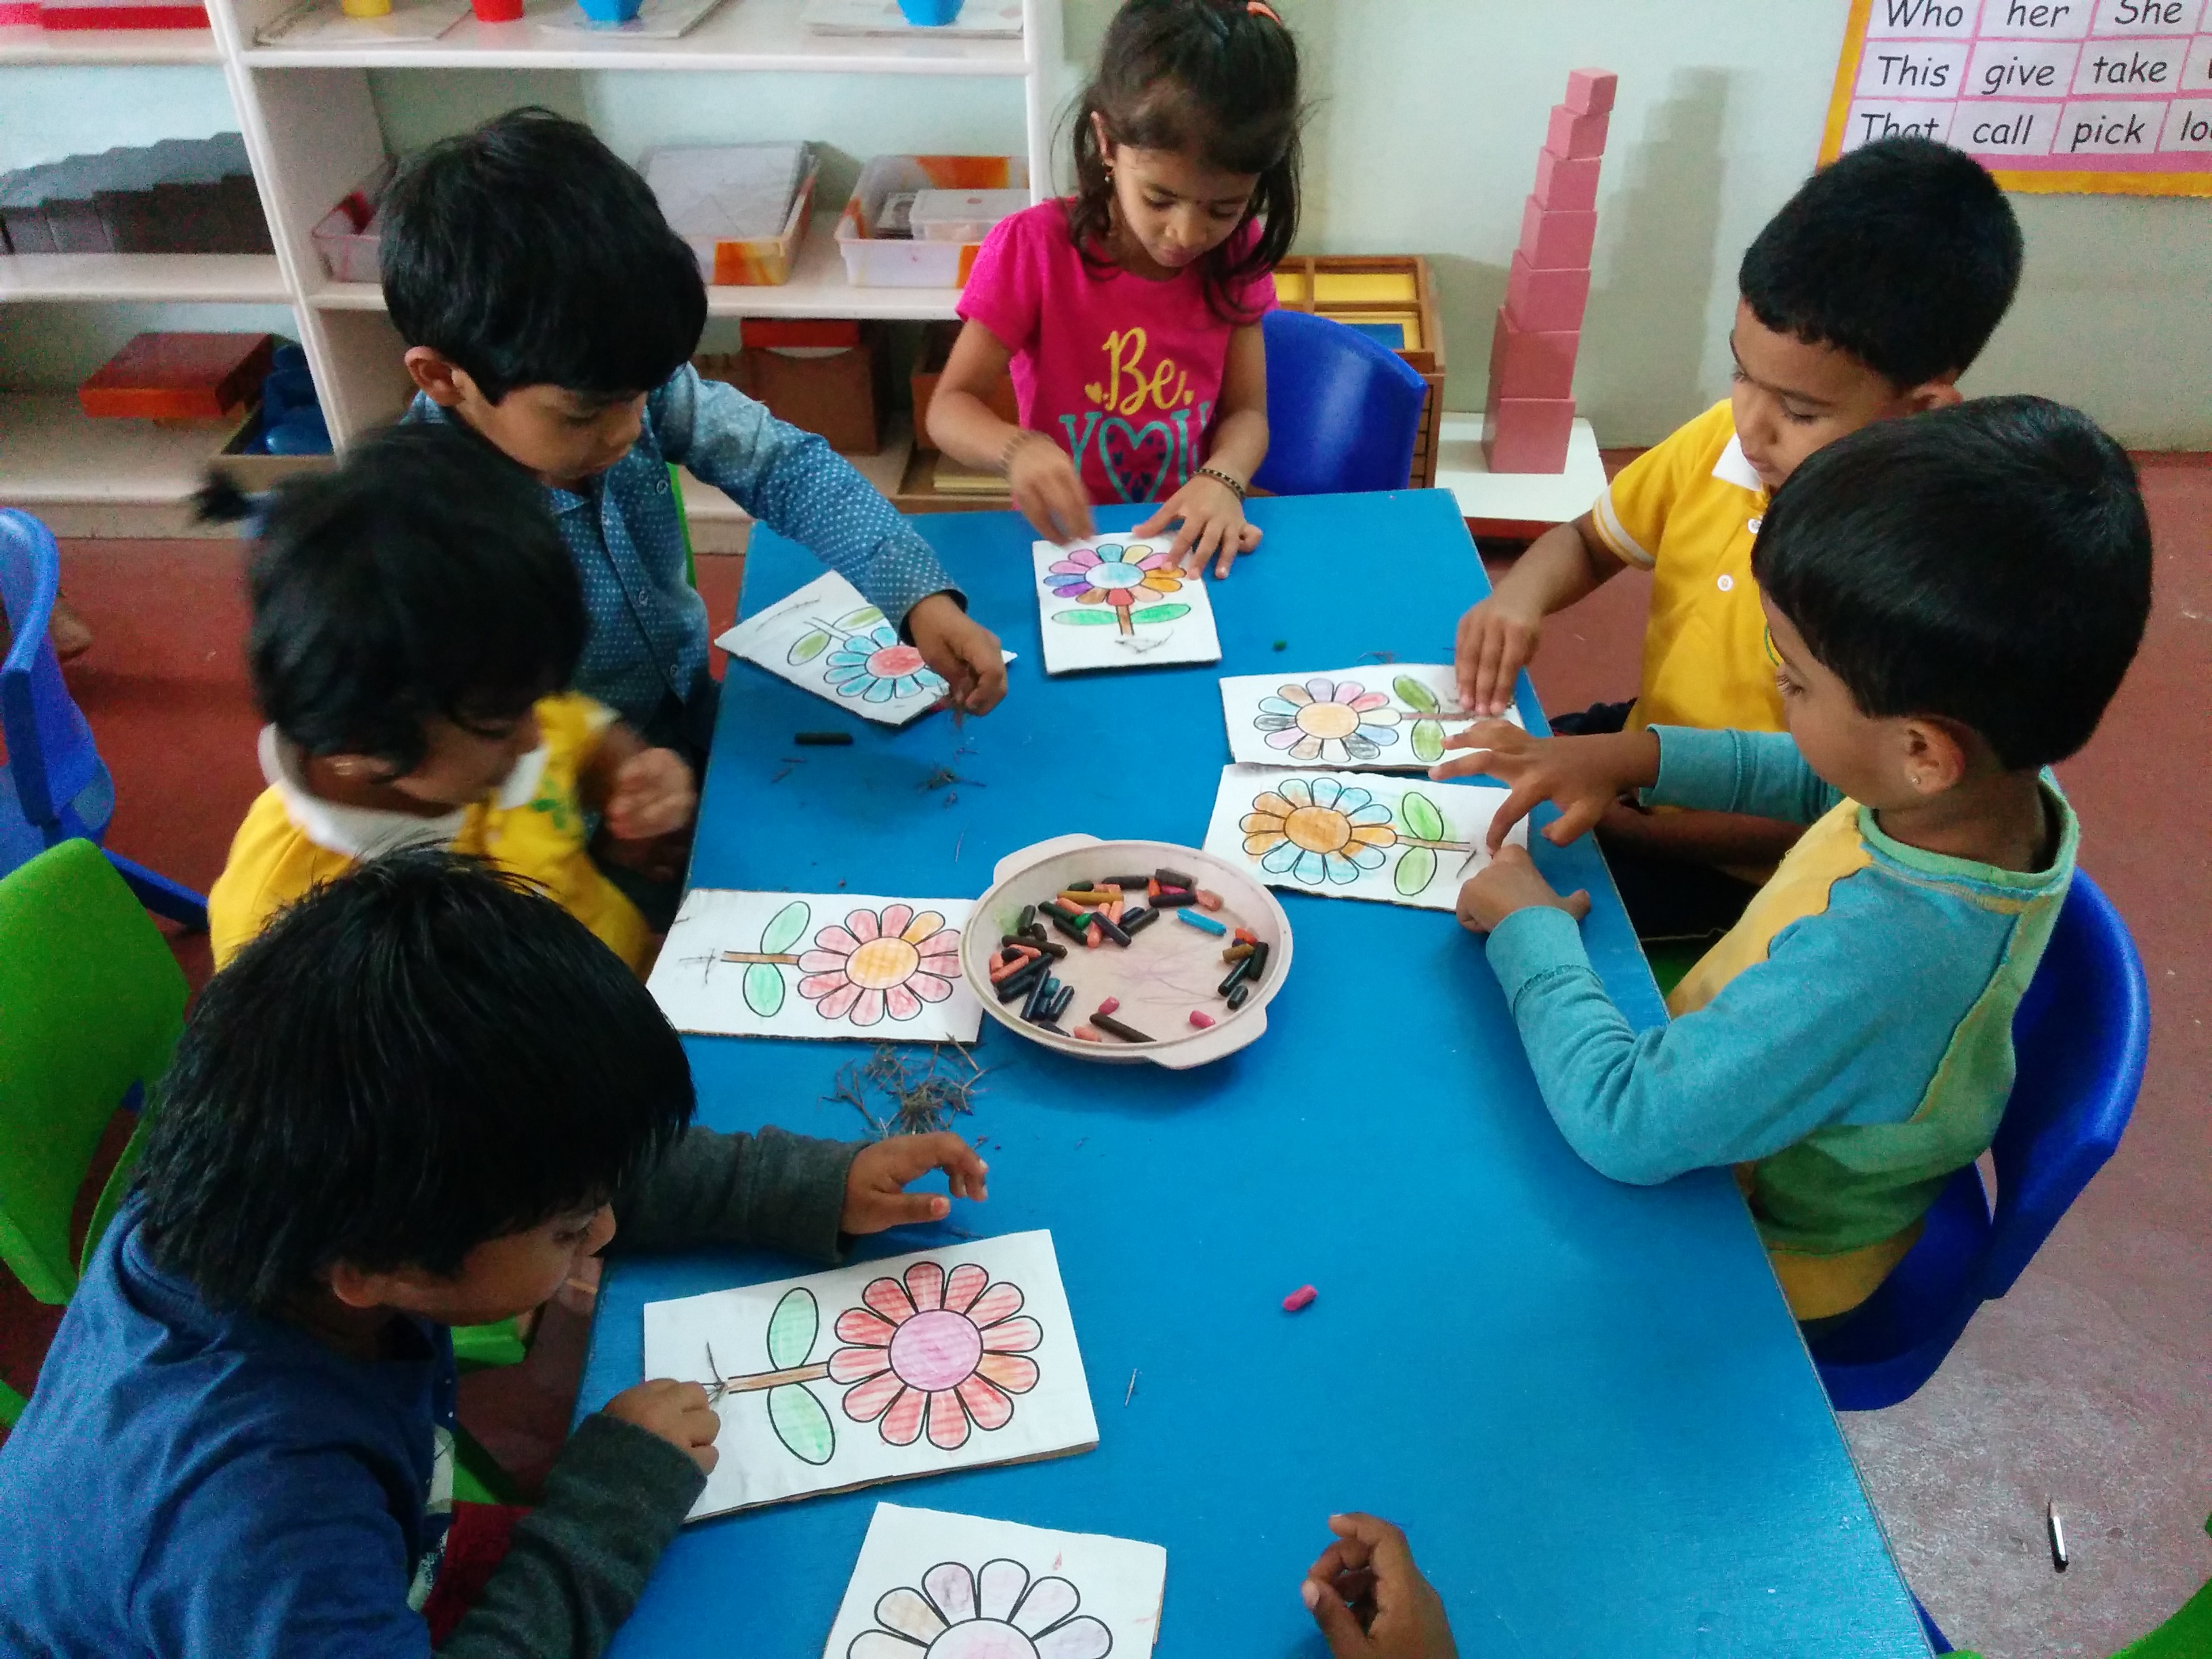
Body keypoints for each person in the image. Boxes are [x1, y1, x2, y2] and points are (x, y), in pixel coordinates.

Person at [0, 851, 991, 1658]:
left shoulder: (261, 1191)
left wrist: (810, 1184)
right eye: (569, 1231)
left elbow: (543, 1166)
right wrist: (610, 1501)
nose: (602, 1231)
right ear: (378, 1270)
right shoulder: (262, 1533)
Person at [1436, 398, 2152, 1326]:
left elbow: (1626, 1122)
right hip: (1762, 1087)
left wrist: (1529, 928)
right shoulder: (1976, 795)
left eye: (1798, 682)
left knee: (1457, 1246)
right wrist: (1635, 756)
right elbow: (1825, 785)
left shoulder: (1883, 954)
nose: (1775, 688)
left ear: (1923, 750)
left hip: (1766, 1245)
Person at [1454, 136, 2024, 943]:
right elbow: (1587, 541)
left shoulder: (1914, 579)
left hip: (1739, 870)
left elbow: (1844, 812)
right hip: (1646, 759)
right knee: (1457, 779)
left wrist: (1636, 829)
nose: (1751, 427)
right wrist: (1518, 596)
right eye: (1739, 373)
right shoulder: (1726, 440)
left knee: (1482, 919)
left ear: (1922, 410)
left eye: (1799, 413)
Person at [380, 106, 1007, 764]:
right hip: (562, 805)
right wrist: (606, 793)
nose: (628, 429)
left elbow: (786, 467)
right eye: (584, 415)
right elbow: (451, 755)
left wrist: (918, 597)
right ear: (443, 377)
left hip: (690, 716)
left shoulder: (620, 384)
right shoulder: (419, 542)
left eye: (644, 393)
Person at [206, 424, 695, 974]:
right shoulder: (286, 927)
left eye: (535, 702)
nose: (535, 736)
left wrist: (630, 778)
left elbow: (583, 737)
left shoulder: (478, 707)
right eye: (507, 721)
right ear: (363, 741)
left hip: (627, 978)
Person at [925, 0, 1301, 576]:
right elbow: (950, 408)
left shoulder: (1237, 251)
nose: (1186, 233)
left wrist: (1222, 478)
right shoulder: (1034, 249)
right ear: (1107, 143)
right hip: (1063, 543)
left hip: (1181, 540)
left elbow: (1247, 412)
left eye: (1224, 207)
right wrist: (1015, 448)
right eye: (1159, 198)